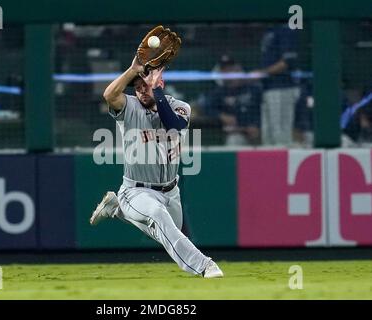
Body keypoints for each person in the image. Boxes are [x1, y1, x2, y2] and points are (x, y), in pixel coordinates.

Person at [89, 56, 224, 278]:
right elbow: (109, 95)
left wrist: (156, 89)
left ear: (160, 84)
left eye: (146, 86)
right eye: (138, 87)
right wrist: (133, 70)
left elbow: (173, 125)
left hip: (171, 192)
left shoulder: (181, 107)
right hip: (136, 190)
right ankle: (204, 265)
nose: (142, 90)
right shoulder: (130, 106)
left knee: (166, 231)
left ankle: (116, 208)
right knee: (157, 216)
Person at [200, 55, 262, 146]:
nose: (229, 72)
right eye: (225, 69)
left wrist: (257, 125)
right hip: (238, 133)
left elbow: (264, 110)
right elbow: (206, 107)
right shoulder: (220, 92)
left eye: (231, 68)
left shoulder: (254, 88)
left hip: (259, 132)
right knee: (234, 141)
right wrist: (222, 116)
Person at [257, 24, 301, 146]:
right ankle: (268, 164)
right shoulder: (269, 30)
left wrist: (261, 73)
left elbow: (287, 62)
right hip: (268, 87)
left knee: (281, 134)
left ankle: (282, 163)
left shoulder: (286, 29)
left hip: (283, 88)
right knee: (268, 134)